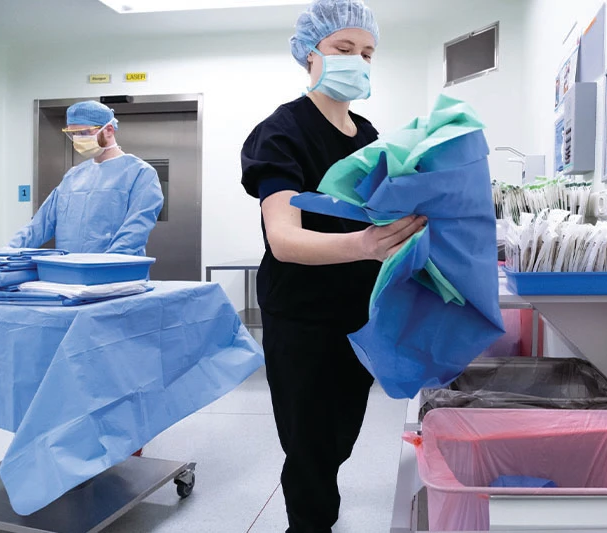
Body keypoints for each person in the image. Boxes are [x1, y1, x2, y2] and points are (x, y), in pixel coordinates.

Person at [240, 1, 426, 531]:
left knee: (339, 434)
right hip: (302, 315)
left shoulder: (369, 135)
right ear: (309, 54)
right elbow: (284, 239)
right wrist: (368, 245)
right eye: (343, 49)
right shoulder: (281, 133)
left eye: (367, 53)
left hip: (359, 313)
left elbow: (384, 213)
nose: (358, 62)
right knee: (309, 450)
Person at [8, 100, 164, 256]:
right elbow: (40, 224)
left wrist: (107, 264)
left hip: (116, 273)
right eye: (73, 134)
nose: (78, 139)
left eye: (84, 133)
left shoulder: (140, 173)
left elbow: (135, 230)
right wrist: (6, 252)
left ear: (109, 130)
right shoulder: (73, 176)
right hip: (71, 270)